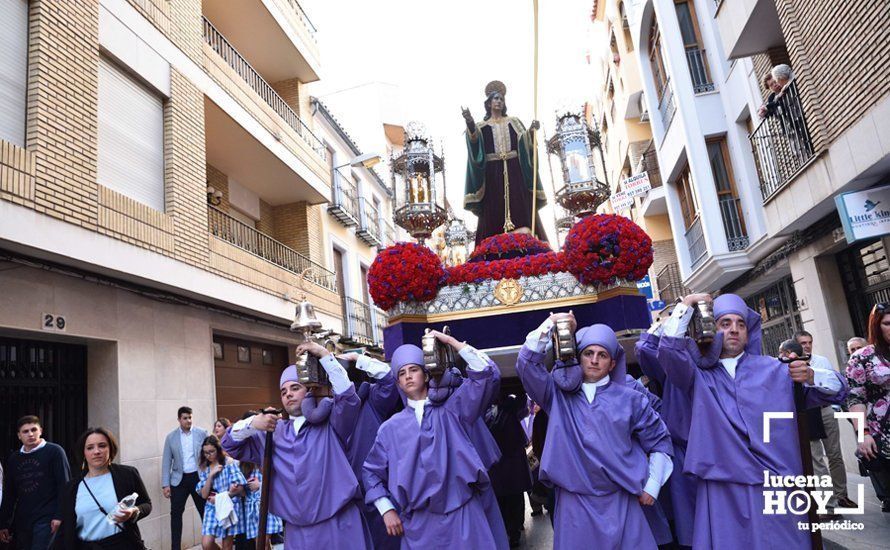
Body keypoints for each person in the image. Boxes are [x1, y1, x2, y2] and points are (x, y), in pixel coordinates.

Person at [657, 293, 847, 549]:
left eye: (740, 324)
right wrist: (687, 303)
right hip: (723, 488)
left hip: (776, 486)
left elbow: (838, 389)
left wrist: (811, 374)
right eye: (725, 323)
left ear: (748, 332)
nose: (734, 329)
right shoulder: (697, 376)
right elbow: (668, 348)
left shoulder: (777, 370)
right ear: (713, 329)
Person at [516, 313, 673, 549]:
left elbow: (660, 441)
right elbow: (526, 363)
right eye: (588, 353)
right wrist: (552, 324)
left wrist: (652, 485)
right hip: (574, 506)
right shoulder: (556, 395)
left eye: (602, 355)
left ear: (612, 363)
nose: (594, 360)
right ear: (578, 357)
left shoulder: (632, 400)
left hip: (622, 503)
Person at [222, 341, 372, 550]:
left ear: (309, 390)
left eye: (295, 388)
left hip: (339, 526)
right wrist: (251, 423)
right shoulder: (272, 433)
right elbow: (230, 443)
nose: (288, 394)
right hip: (297, 534)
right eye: (283, 392)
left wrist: (324, 355)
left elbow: (348, 397)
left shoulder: (331, 423)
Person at [362, 333, 501, 548]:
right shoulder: (389, 429)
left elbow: (485, 375)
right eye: (402, 373)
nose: (408, 376)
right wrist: (386, 508)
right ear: (398, 382)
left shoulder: (453, 409)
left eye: (414, 369)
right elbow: (371, 472)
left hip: (463, 517)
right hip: (418, 528)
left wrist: (454, 344)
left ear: (426, 375)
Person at [462, 80, 548, 245]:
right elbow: (474, 142)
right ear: (489, 103)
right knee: (493, 209)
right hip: (492, 174)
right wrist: (470, 123)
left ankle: (529, 242)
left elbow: (525, 142)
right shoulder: (481, 126)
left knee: (521, 207)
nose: (499, 102)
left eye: (501, 99)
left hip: (515, 171)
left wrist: (531, 130)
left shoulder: (514, 122)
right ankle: (492, 247)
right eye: (496, 99)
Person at [636, 322, 695, 548]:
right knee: (687, 525)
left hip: (722, 458)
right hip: (683, 456)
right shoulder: (673, 368)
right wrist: (675, 317)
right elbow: (644, 348)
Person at [340, 352, 401, 550]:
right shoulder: (332, 408)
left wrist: (358, 359)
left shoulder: (372, 400)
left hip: (378, 494)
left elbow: (388, 378)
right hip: (345, 500)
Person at [57, 427, 151, 549]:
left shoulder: (127, 475)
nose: (96, 451)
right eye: (90, 448)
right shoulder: (72, 488)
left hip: (122, 544)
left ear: (110, 449)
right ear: (83, 453)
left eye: (102, 446)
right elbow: (68, 528)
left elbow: (146, 504)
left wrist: (133, 512)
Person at [794, 330, 856, 510]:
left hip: (825, 411)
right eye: (803, 343)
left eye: (809, 342)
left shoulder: (822, 361)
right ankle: (828, 503)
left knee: (835, 455)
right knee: (816, 458)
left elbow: (834, 387)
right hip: (807, 414)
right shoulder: (791, 363)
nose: (807, 346)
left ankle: (842, 495)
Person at [0, 415, 70, 550]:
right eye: (25, 431)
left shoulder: (54, 451)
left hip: (48, 517)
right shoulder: (14, 458)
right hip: (23, 520)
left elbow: (64, 485)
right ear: (19, 435)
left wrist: (60, 515)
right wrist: (3, 523)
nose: (30, 434)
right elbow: (10, 493)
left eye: (34, 429)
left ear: (41, 431)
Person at [845, 304, 890, 513]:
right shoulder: (862, 357)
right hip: (882, 436)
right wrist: (862, 433)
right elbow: (855, 398)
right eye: (887, 324)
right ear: (876, 326)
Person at [485, 393, 533, 548]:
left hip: (509, 462)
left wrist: (517, 388)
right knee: (506, 500)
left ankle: (513, 531)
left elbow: (522, 406)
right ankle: (511, 530)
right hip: (499, 463)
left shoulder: (510, 405)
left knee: (512, 498)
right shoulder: (485, 410)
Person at [230, 411, 283, 550]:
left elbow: (279, 478)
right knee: (260, 544)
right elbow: (242, 492)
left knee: (264, 543)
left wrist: (260, 484)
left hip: (266, 502)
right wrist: (238, 488)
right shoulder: (240, 457)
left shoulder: (266, 446)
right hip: (251, 507)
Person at [162, 406, 207, 550]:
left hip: (198, 478)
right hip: (178, 480)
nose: (188, 420)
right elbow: (166, 461)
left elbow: (209, 455)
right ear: (179, 420)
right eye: (185, 418)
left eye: (190, 417)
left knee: (205, 512)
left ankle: (210, 544)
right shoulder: (171, 437)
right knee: (175, 514)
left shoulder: (202, 433)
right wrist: (165, 484)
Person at [196, 436, 245, 550]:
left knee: (227, 546)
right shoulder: (205, 467)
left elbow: (241, 489)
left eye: (211, 452)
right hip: (211, 507)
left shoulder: (229, 463)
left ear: (218, 450)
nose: (208, 455)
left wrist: (227, 494)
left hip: (229, 506)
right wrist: (211, 475)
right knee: (206, 544)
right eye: (205, 453)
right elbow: (203, 494)